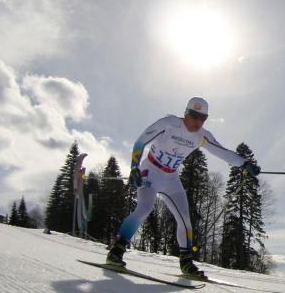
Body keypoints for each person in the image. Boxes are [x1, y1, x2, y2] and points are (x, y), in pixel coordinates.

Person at [106, 97, 260, 277]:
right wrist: (134, 167)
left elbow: (222, 151)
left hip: (171, 177)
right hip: (151, 170)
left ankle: (186, 262)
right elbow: (141, 142)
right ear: (185, 113)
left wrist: (245, 164)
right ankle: (116, 250)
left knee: (185, 218)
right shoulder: (169, 124)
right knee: (145, 207)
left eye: (203, 118)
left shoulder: (202, 136)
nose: (198, 122)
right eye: (194, 116)